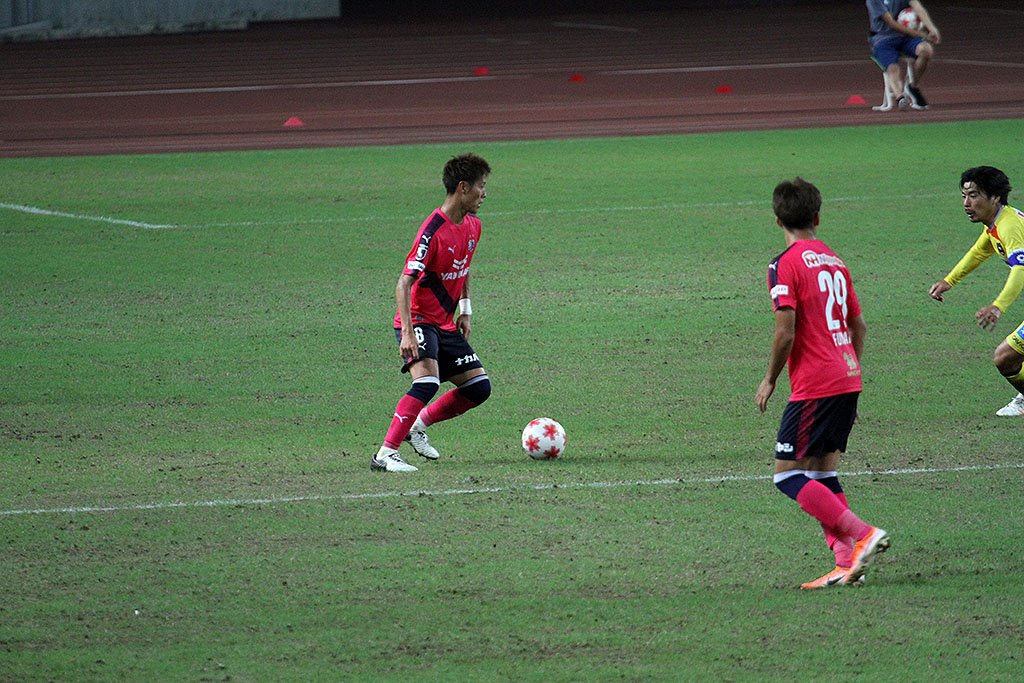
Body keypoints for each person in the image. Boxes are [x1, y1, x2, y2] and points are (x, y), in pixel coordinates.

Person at [756, 178, 889, 589]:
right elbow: (858, 326)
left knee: (787, 476)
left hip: (816, 382)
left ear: (777, 219)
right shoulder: (835, 261)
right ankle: (846, 563)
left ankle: (864, 533)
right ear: (817, 217)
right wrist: (850, 373)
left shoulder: (784, 264)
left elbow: (786, 332)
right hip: (846, 376)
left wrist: (770, 378)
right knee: (821, 476)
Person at [371, 153, 493, 472]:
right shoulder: (432, 231)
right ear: (463, 187)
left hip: (445, 323)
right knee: (427, 382)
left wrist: (465, 308)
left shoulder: (473, 225)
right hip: (419, 320)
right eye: (481, 186)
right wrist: (407, 333)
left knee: (478, 387)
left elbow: (463, 266)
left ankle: (417, 426)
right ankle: (385, 455)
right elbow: (404, 283)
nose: (484, 193)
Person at [929, 166, 1024, 417]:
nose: (966, 203)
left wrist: (998, 306)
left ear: (995, 198)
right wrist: (949, 281)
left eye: (974, 195)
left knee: (1005, 357)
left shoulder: (1009, 226)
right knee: (1007, 358)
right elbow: (980, 251)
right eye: (964, 196)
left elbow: (1020, 270)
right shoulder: (996, 224)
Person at [866, 0, 941, 109]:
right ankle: (900, 98)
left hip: (906, 37)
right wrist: (921, 34)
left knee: (926, 50)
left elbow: (918, 7)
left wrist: (932, 29)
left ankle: (913, 86)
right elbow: (891, 23)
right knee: (892, 68)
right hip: (882, 39)